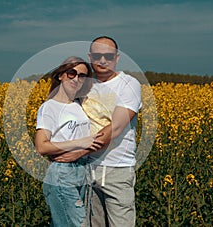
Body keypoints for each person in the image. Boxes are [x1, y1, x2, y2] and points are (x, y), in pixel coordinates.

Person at [54, 36, 142, 227]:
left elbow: (116, 128)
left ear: (117, 58)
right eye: (97, 55)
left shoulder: (129, 84)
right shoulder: (85, 85)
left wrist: (79, 152)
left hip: (117, 170)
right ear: (90, 57)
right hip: (86, 170)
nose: (103, 60)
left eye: (108, 56)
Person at [35, 56, 104, 227]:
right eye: (71, 73)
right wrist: (80, 143)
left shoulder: (79, 104)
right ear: (60, 75)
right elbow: (41, 146)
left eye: (82, 76)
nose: (76, 79)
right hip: (62, 174)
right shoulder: (49, 107)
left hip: (84, 171)